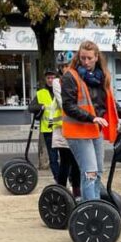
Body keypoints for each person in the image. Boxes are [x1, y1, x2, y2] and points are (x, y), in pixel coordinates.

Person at [61, 41, 121, 201]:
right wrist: (92, 118)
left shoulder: (102, 76)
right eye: (82, 58)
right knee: (90, 172)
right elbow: (68, 106)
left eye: (89, 58)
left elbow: (109, 101)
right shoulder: (71, 76)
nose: (85, 62)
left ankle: (96, 205)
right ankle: (90, 209)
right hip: (77, 132)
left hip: (95, 131)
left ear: (96, 57)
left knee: (98, 171)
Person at [52, 52, 81, 197]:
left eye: (67, 65)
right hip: (62, 130)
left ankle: (77, 192)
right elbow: (64, 103)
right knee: (66, 162)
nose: (64, 69)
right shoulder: (58, 82)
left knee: (76, 163)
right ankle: (61, 192)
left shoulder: (78, 79)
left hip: (75, 127)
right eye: (62, 66)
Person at [28, 68, 60, 182]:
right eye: (48, 78)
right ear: (45, 79)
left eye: (53, 78)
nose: (50, 80)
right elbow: (30, 108)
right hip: (48, 130)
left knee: (66, 158)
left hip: (62, 130)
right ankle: (58, 180)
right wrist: (39, 106)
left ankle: (69, 179)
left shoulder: (62, 91)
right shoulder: (41, 93)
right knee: (53, 158)